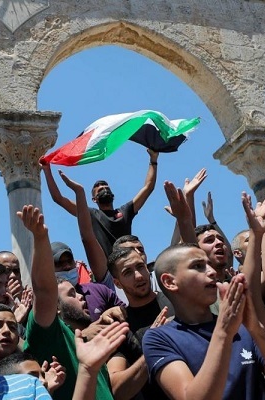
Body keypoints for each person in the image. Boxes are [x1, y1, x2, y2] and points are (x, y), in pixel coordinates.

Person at [142, 241, 265, 399]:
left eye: (209, 264)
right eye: (198, 266)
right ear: (170, 282)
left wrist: (257, 329)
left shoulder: (244, 328)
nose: (212, 272)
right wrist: (223, 332)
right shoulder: (159, 338)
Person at [18, 204, 118, 400]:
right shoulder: (49, 335)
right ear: (55, 307)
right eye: (72, 294)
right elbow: (44, 291)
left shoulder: (88, 347)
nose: (81, 296)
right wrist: (40, 238)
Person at [41, 149, 159, 256]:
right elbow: (59, 198)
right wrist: (47, 170)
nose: (104, 189)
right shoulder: (90, 214)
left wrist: (153, 160)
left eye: (106, 188)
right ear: (94, 199)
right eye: (100, 189)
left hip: (128, 263)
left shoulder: (125, 211)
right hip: (105, 269)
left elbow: (148, 187)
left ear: (113, 196)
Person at [105, 246, 174, 398]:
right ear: (117, 283)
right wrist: (152, 347)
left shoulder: (178, 299)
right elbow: (118, 390)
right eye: (128, 272)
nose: (138, 276)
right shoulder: (120, 327)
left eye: (140, 267)